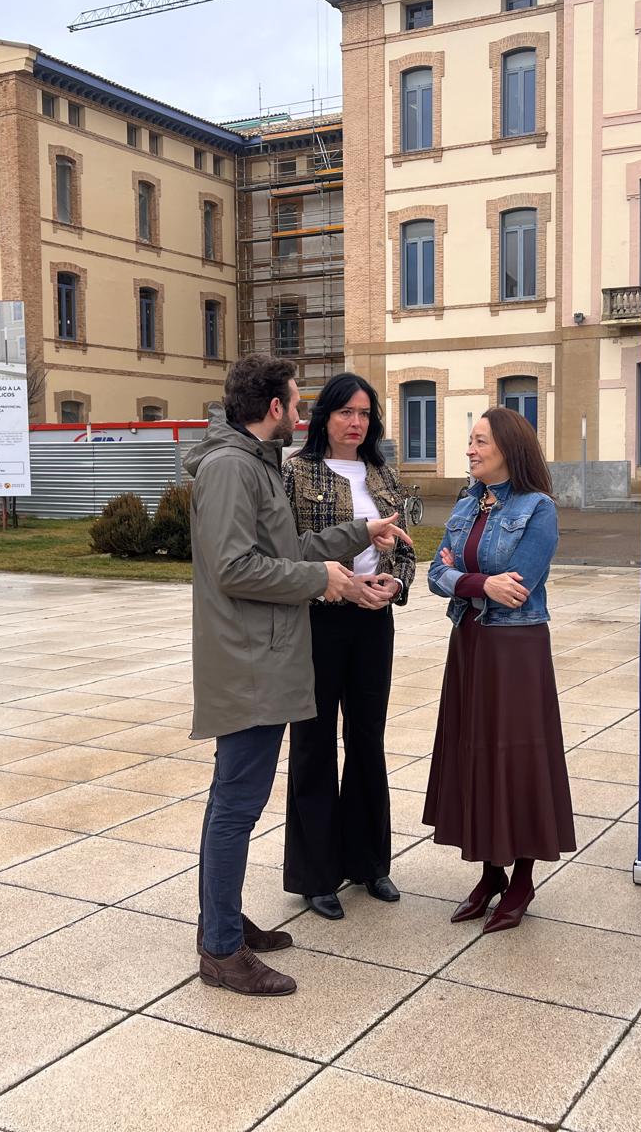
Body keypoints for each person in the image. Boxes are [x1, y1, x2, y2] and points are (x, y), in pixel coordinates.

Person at [186, 354, 412, 997]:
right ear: (274, 408)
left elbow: (286, 551)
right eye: (297, 401)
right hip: (247, 660)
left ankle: (222, 922)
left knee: (234, 800)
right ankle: (221, 950)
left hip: (263, 655)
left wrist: (359, 531)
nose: (302, 412)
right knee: (236, 805)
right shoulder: (233, 467)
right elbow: (234, 567)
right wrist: (322, 580)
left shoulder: (255, 462)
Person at [424, 407, 575, 934]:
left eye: (480, 441)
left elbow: (519, 586)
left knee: (517, 757)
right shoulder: (467, 504)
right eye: (470, 440)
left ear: (508, 448)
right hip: (469, 642)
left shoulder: (539, 509)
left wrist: (466, 579)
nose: (469, 449)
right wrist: (479, 583)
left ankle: (522, 879)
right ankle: (490, 873)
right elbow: (435, 573)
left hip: (515, 649)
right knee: (474, 753)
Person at [282, 373, 416, 921]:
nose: (356, 422)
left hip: (373, 624)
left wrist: (394, 584)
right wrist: (335, 583)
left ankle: (369, 863)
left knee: (367, 740)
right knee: (313, 744)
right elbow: (285, 549)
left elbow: (406, 550)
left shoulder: (385, 473)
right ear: (325, 417)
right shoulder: (295, 472)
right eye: (346, 412)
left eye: (365, 413)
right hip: (317, 622)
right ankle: (316, 874)